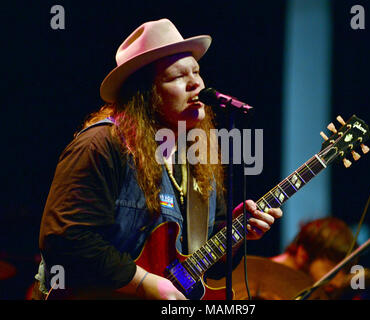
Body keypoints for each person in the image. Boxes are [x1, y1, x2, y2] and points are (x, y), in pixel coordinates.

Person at [32, 18, 282, 300]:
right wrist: (143, 283)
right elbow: (66, 239)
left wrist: (236, 235)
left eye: (197, 72)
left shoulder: (199, 159)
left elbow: (204, 268)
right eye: (177, 76)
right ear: (144, 94)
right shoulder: (102, 146)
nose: (195, 84)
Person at [270, 217, 357, 296]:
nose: (337, 283)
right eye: (329, 269)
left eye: (344, 272)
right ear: (303, 254)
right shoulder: (261, 277)